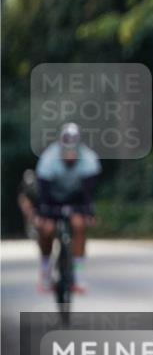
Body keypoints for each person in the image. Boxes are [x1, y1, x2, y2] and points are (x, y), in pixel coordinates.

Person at [34, 123, 101, 292]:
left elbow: (89, 193)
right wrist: (43, 213)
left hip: (76, 200)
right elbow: (42, 192)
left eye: (73, 151)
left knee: (79, 225)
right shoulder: (48, 159)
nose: (70, 156)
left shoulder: (89, 159)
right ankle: (45, 273)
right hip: (51, 200)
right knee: (47, 229)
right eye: (66, 151)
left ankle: (78, 277)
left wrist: (88, 212)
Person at [18, 169, 39, 239]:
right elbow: (22, 198)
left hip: (37, 203)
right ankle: (30, 231)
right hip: (28, 203)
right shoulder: (23, 187)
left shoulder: (37, 186)